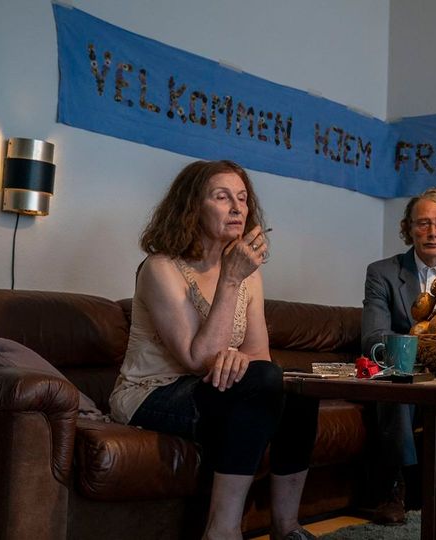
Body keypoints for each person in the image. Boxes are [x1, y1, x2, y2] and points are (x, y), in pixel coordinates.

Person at [109, 160, 319, 540]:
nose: (238, 208)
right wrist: (231, 279)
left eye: (242, 198)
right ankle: (222, 531)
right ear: (192, 206)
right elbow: (195, 359)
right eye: (222, 197)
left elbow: (258, 356)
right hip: (153, 391)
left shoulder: (250, 274)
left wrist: (240, 359)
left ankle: (286, 527)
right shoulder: (160, 268)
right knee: (262, 381)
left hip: (213, 387)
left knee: (298, 390)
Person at [361, 186, 436, 524]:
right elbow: (374, 337)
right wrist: (415, 353)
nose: (432, 232)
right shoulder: (382, 273)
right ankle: (396, 487)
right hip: (405, 370)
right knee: (396, 383)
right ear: (409, 228)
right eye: (423, 223)